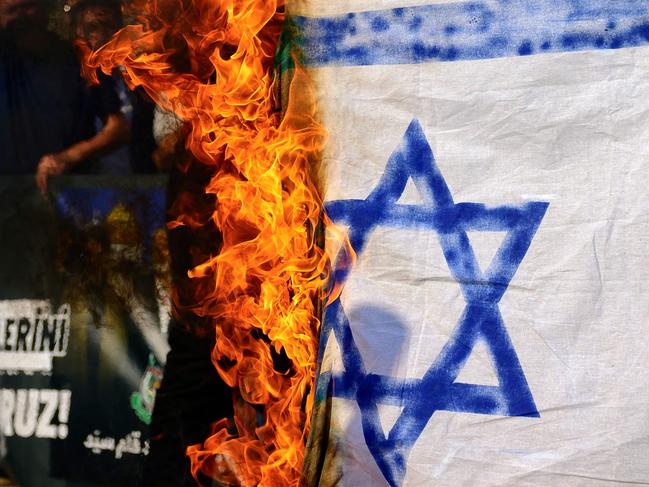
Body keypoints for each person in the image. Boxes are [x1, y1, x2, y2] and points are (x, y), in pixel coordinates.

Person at [0, 0, 129, 190]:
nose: (22, 16)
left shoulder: (80, 61)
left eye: (28, 6)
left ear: (45, 8)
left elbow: (118, 129)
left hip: (70, 194)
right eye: (12, 11)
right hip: (8, 201)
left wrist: (69, 157)